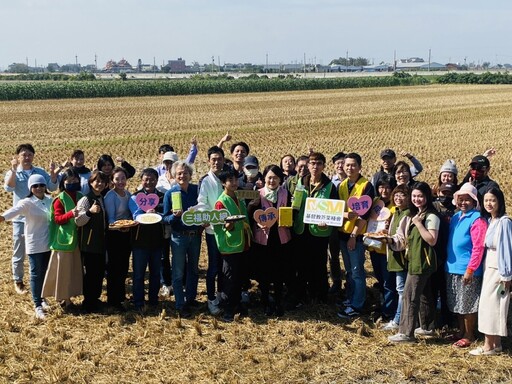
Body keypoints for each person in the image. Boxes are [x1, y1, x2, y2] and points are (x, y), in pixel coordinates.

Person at [387, 182, 440, 343]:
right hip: (415, 260)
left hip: (422, 261)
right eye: (414, 196)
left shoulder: (431, 216)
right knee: (424, 295)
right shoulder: (416, 213)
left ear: (427, 197)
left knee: (410, 296)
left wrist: (417, 223)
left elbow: (432, 240)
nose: (417, 199)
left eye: (420, 196)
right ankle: (427, 327)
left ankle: (406, 333)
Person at [4, 143, 58, 294]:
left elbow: (52, 188)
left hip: (39, 218)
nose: (27, 157)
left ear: (33, 156)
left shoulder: (39, 172)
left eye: (29, 154)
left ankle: (43, 281)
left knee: (41, 250)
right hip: (20, 218)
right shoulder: (13, 172)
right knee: (19, 249)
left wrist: (53, 175)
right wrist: (14, 171)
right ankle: (18, 280)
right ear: (18, 157)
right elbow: (8, 188)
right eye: (23, 155)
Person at [0, 174, 53, 320]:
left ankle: (43, 299)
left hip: (50, 242)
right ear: (30, 188)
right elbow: (13, 211)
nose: (39, 188)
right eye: (35, 186)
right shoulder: (27, 203)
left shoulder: (50, 200)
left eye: (41, 185)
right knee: (36, 274)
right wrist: (2, 217)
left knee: (45, 273)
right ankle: (37, 305)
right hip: (35, 243)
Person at [470, 188, 512, 355]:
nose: (489, 203)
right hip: (490, 266)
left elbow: (506, 249)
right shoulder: (491, 221)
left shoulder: (504, 222)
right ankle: (495, 344)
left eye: (493, 200)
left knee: (491, 306)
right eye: (486, 200)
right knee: (491, 305)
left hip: (498, 268)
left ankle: (489, 346)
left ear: (500, 201)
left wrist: (506, 274)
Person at [293, 152, 339, 305]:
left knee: (318, 264)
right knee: (300, 263)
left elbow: (335, 210)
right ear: (308, 165)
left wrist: (328, 221)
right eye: (312, 163)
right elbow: (295, 205)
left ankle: (319, 294)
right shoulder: (301, 182)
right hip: (301, 229)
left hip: (319, 231)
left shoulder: (330, 186)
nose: (315, 166)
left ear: (324, 166)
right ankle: (301, 294)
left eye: (319, 163)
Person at [446, 183, 487, 348]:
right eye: (461, 199)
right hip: (452, 267)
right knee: (457, 302)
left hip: (467, 269)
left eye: (467, 200)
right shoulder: (456, 217)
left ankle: (469, 334)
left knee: (468, 304)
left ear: (474, 201)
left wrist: (471, 269)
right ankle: (461, 331)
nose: (463, 202)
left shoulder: (477, 219)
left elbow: (478, 247)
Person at [247, 164, 291, 316]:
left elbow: (292, 212)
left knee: (279, 270)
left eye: (275, 178)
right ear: (264, 179)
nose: (272, 181)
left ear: (280, 179)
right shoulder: (257, 194)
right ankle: (265, 300)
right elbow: (249, 212)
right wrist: (257, 222)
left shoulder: (286, 194)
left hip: (281, 238)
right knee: (264, 271)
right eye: (269, 177)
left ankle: (278, 301)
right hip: (263, 239)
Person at [337, 153, 375, 319]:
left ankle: (357, 305)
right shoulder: (342, 185)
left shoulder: (366, 186)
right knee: (349, 272)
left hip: (356, 236)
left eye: (353, 165)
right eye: (347, 165)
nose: (350, 168)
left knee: (357, 271)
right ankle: (350, 298)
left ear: (360, 167)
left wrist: (354, 235)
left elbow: (364, 215)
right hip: (342, 233)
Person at [163, 161, 202, 318]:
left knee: (193, 270)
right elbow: (164, 218)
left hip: (195, 236)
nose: (182, 175)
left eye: (185, 173)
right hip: (179, 237)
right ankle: (180, 303)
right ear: (174, 175)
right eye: (179, 173)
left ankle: (191, 298)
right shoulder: (170, 194)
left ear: (190, 175)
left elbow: (203, 209)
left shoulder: (196, 190)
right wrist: (174, 216)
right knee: (178, 272)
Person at [213, 168, 252, 322]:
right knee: (230, 278)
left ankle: (236, 305)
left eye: (236, 179)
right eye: (230, 180)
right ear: (223, 183)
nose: (234, 183)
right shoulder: (220, 202)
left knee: (240, 276)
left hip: (242, 243)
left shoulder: (238, 197)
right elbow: (219, 224)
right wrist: (227, 225)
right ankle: (228, 309)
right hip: (230, 246)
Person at [42, 168, 84, 309]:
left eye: (75, 180)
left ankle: (69, 297)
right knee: (62, 272)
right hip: (64, 241)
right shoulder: (59, 199)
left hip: (77, 239)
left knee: (73, 270)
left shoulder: (80, 196)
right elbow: (58, 219)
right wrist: (71, 214)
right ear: (63, 182)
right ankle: (62, 299)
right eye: (69, 181)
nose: (73, 183)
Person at [195, 146, 226, 315]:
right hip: (213, 231)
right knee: (213, 266)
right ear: (208, 161)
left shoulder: (226, 178)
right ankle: (211, 299)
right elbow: (202, 203)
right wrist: (205, 218)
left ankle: (222, 294)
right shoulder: (206, 180)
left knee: (224, 266)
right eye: (213, 159)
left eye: (219, 158)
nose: (216, 162)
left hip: (228, 229)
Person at [129, 168, 165, 311]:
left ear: (157, 180)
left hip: (157, 241)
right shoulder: (134, 197)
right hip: (140, 241)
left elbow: (166, 213)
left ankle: (153, 301)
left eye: (152, 179)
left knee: (156, 273)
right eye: (146, 179)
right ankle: (138, 302)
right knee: (138, 274)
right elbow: (135, 215)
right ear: (141, 181)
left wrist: (158, 213)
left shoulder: (162, 197)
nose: (149, 182)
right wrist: (146, 213)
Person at [75, 170, 109, 313]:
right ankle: (88, 302)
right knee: (91, 274)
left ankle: (94, 299)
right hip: (89, 245)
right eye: (96, 181)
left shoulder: (102, 198)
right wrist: (89, 212)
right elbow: (78, 221)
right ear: (90, 182)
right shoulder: (85, 199)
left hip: (100, 243)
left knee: (99, 273)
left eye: (102, 181)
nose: (99, 184)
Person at [368, 174, 397, 321]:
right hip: (374, 247)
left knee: (388, 282)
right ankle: (384, 306)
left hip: (387, 250)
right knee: (380, 279)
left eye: (387, 187)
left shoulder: (395, 206)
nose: (384, 190)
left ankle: (389, 312)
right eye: (381, 186)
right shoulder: (375, 203)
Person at [381, 184, 410, 331]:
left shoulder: (407, 214)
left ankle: (398, 320)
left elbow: (402, 239)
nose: (398, 198)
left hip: (402, 258)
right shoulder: (397, 212)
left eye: (402, 195)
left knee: (401, 290)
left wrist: (390, 239)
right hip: (395, 256)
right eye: (396, 195)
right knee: (400, 289)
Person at [104, 167, 133, 311]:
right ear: (112, 181)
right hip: (114, 235)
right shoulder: (110, 196)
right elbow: (111, 219)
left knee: (123, 267)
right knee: (114, 268)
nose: (120, 182)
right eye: (117, 179)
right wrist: (120, 227)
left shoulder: (128, 194)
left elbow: (130, 214)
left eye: (123, 179)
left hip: (126, 234)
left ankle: (121, 297)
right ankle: (113, 300)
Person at [431, 182, 458, 328]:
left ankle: (447, 321)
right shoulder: (434, 207)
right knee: (433, 289)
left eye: (449, 194)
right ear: (438, 193)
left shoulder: (458, 211)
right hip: (436, 255)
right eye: (443, 193)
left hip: (452, 257)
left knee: (447, 290)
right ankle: (431, 320)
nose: (445, 196)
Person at [328, 151, 347, 294]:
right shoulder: (329, 183)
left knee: (349, 256)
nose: (340, 165)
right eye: (337, 163)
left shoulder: (353, 183)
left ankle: (350, 283)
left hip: (349, 224)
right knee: (333, 256)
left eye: (343, 163)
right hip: (334, 225)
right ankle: (336, 281)